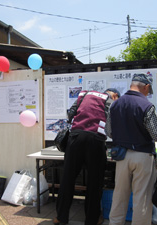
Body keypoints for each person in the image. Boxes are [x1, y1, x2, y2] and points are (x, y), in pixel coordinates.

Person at [105, 73, 157, 225]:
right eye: (148, 91)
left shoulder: (115, 104)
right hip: (142, 157)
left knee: (119, 197)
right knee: (141, 199)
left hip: (121, 157)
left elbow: (109, 132)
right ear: (146, 87)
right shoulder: (146, 105)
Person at [53, 88, 120, 225]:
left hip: (75, 138)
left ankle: (61, 217)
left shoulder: (84, 94)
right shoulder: (109, 101)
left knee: (67, 179)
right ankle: (91, 220)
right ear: (114, 95)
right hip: (95, 141)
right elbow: (110, 125)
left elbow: (70, 114)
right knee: (94, 182)